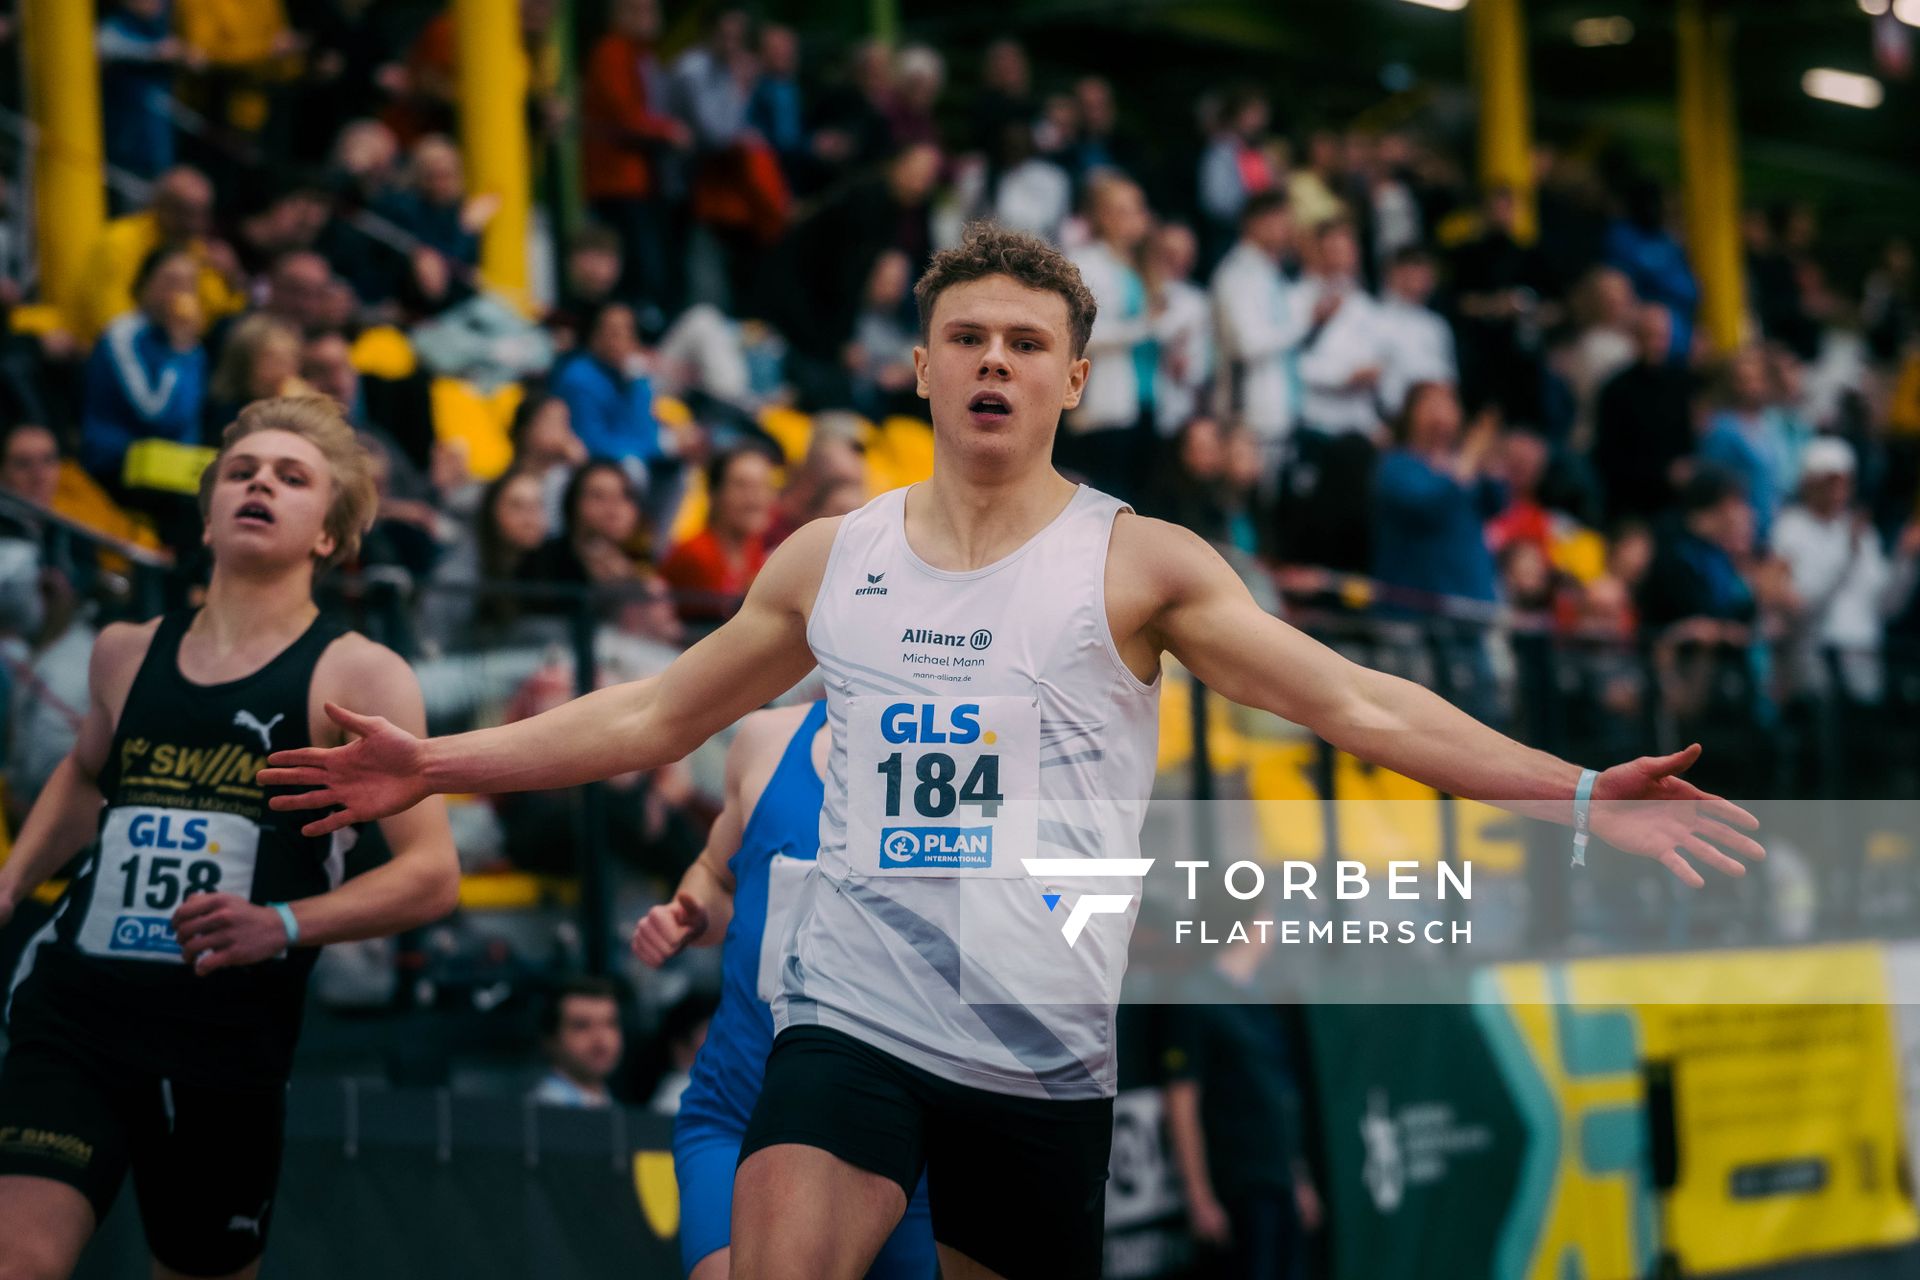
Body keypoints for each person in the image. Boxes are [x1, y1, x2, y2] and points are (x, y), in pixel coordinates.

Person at [263, 223, 1762, 1280]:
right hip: (846, 1018)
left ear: (1074, 382)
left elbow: (1355, 704)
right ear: (919, 367)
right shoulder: (831, 556)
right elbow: (654, 715)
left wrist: (1568, 789)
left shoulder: (1143, 565)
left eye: (1026, 344)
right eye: (967, 338)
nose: (994, 362)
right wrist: (438, 766)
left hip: (1040, 1054)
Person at [0, 396, 459, 1280]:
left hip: (224, 1038)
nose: (261, 485)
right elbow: (87, 775)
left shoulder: (356, 675)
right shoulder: (125, 651)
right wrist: (14, 879)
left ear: (328, 534)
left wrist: (282, 925)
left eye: (293, 478)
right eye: (244, 472)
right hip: (79, 1007)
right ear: (208, 514)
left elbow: (433, 875)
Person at [632, 701, 936, 1279]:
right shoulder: (769, 737)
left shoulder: (967, 755)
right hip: (741, 1106)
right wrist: (690, 915)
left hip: (896, 1127)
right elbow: (720, 873)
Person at [659, 448, 779, 622]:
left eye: (764, 486)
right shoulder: (696, 555)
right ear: (714, 493)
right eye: (741, 486)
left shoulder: (756, 550)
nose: (756, 498)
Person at [529, 976, 625, 1109]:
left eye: (610, 1024)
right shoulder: (544, 1110)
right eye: (582, 1026)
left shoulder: (610, 1104)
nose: (601, 1039)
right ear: (550, 1040)